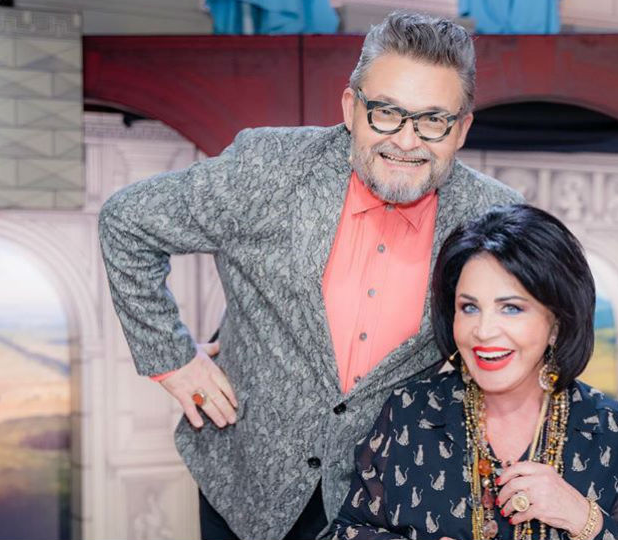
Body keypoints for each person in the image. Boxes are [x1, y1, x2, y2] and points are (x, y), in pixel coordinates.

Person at [98, 11, 522, 540]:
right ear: (351, 108)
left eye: (432, 120)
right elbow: (126, 222)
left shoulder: (495, 216)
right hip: (245, 482)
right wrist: (172, 359)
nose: (406, 140)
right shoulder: (269, 168)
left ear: (461, 130)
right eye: (386, 113)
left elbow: (527, 337)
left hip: (388, 501)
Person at [331, 204, 618, 540]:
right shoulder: (409, 413)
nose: (483, 330)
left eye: (511, 308)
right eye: (469, 307)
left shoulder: (615, 431)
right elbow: (345, 532)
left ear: (556, 325)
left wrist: (582, 517)